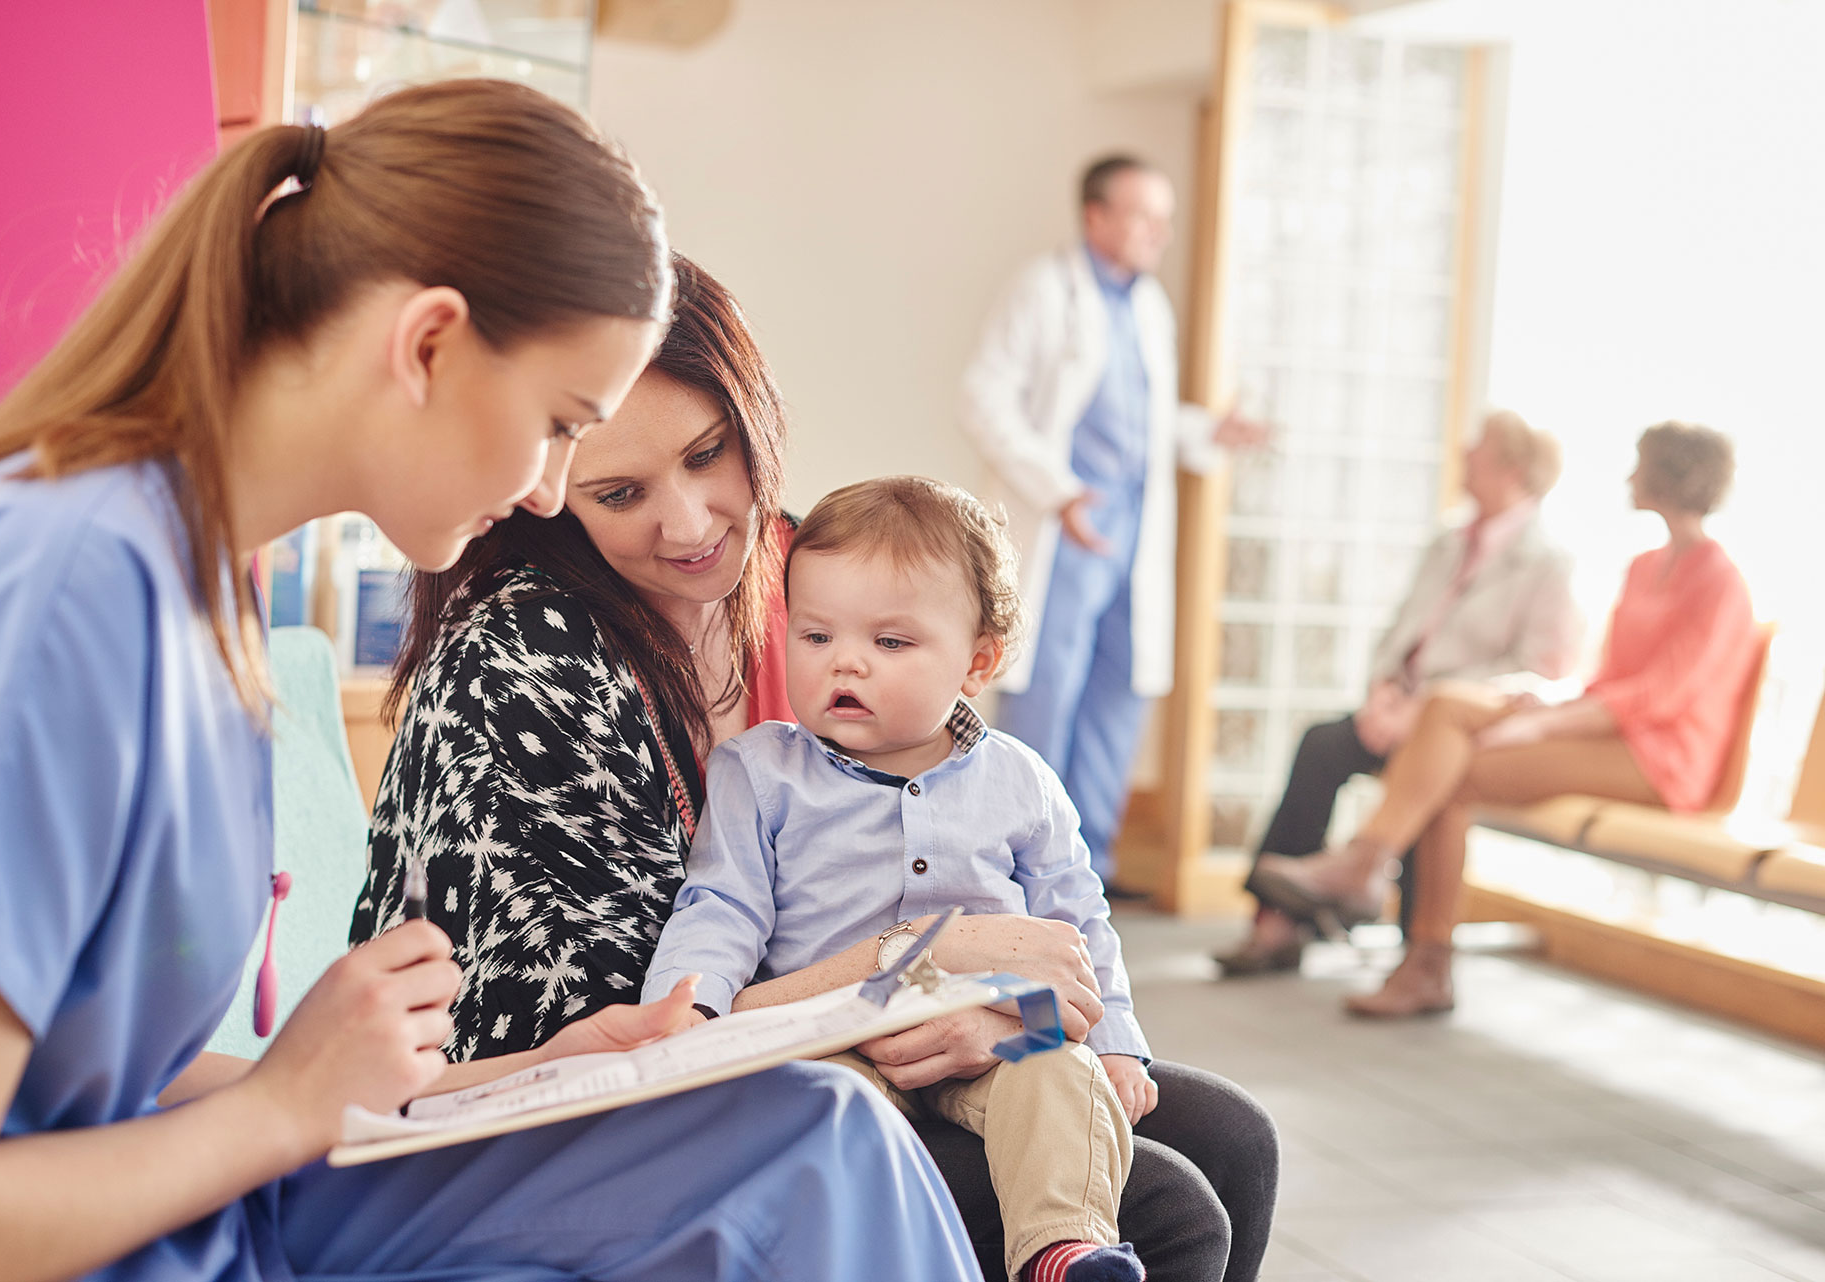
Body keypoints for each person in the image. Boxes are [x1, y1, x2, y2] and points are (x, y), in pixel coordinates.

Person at [0, 80, 985, 1282]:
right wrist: (281, 1108)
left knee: (817, 1137)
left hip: (226, 1206)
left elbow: (102, 1081)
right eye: (562, 427)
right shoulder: (66, 592)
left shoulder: (192, 590)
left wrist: (533, 1069)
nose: (546, 490)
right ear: (425, 346)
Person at [358, 261, 1281, 1280]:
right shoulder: (528, 659)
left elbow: (1069, 939)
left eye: (710, 453)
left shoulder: (792, 579)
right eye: (620, 492)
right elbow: (637, 1042)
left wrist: (1006, 1015)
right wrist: (931, 962)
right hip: (632, 1111)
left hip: (900, 1016)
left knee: (1231, 1138)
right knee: (1168, 1204)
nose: (692, 521)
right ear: (549, 489)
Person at [645, 476, 1155, 1282]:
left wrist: (1120, 1043)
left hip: (996, 1013)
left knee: (1064, 1069)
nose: (845, 661)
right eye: (815, 636)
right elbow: (722, 902)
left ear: (976, 661)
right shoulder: (760, 771)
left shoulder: (1022, 780)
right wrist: (688, 1003)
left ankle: (1064, 1248)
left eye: (890, 643)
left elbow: (1079, 921)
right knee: (830, 1115)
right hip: (831, 1025)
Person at [1250, 422, 1755, 1018]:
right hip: (1605, 728)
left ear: (1670, 476)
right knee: (1444, 705)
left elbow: (1662, 696)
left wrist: (1547, 725)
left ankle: (1410, 938)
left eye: (1639, 465)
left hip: (1662, 761)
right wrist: (1549, 702)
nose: (1628, 476)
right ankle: (1368, 874)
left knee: (1456, 773)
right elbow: (1612, 679)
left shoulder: (1721, 581)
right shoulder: (1644, 566)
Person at [961, 153, 1266, 888]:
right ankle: (1022, 862)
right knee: (1048, 692)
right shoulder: (1044, 290)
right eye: (1141, 214)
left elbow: (1145, 425)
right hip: (1070, 525)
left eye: (1164, 217)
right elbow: (983, 397)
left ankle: (1089, 863)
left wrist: (1206, 434)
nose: (1158, 231)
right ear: (1095, 216)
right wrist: (1057, 489)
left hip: (1131, 531)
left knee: (1120, 688)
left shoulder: (1148, 304)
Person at [1215, 411, 1583, 976]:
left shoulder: (1550, 564)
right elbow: (1401, 631)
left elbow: (1539, 670)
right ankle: (1277, 922)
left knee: (1429, 768)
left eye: (1478, 448)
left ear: (1511, 469)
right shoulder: (1447, 543)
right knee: (1322, 745)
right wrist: (1384, 695)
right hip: (1401, 710)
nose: (1463, 453)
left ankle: (1416, 951)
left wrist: (1425, 708)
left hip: (1468, 728)